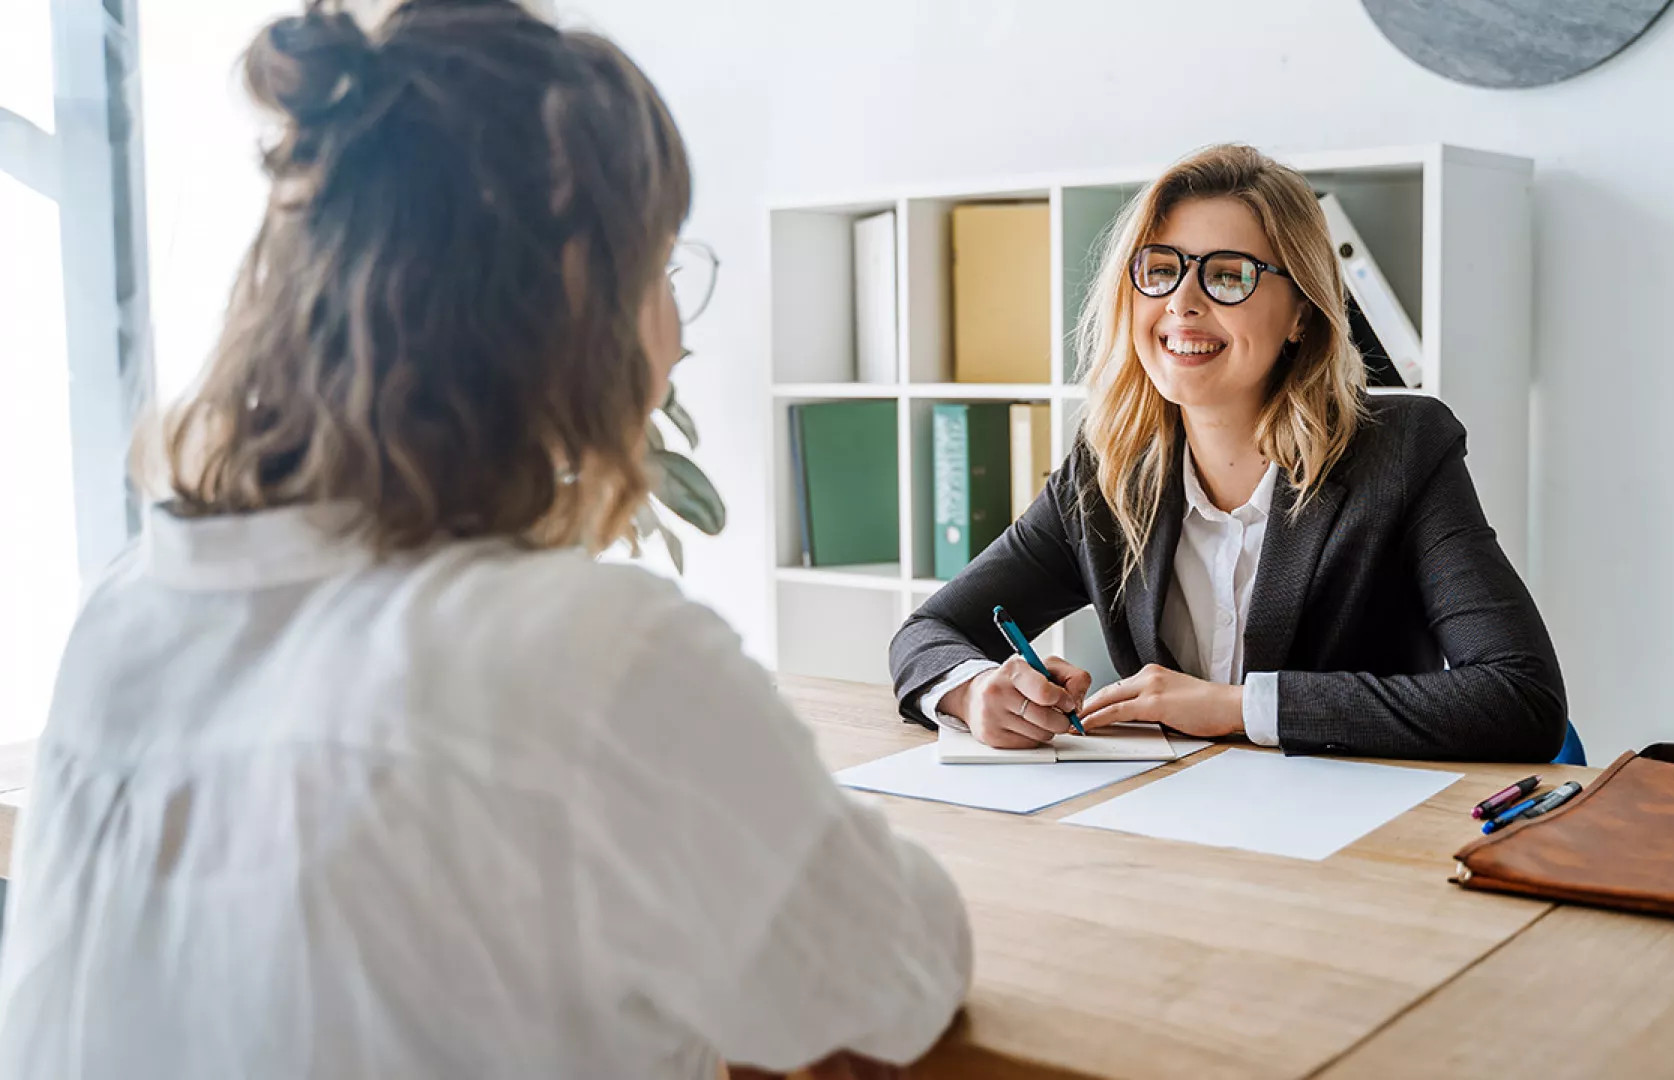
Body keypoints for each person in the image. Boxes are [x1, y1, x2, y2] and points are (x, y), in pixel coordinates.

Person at [0, 3, 969, 1077]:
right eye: (658, 266)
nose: (680, 331)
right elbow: (896, 973)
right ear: (570, 290)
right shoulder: (592, 658)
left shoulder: (128, 610)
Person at [890, 144, 1567, 762]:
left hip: (1356, 841)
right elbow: (930, 631)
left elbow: (1519, 697)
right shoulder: (1106, 473)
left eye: (1229, 275)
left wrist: (1237, 709)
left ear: (1302, 311)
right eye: (1159, 271)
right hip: (1179, 832)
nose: (1182, 304)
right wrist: (976, 690)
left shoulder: (1402, 451)